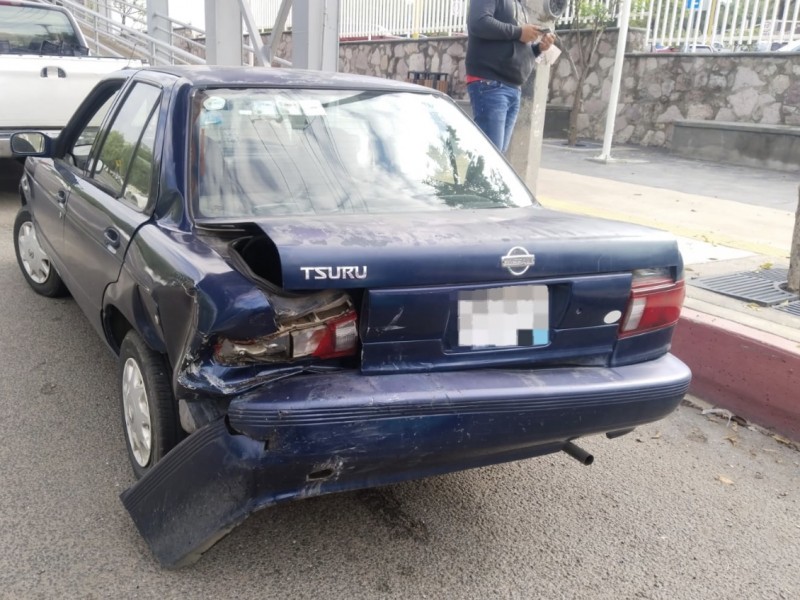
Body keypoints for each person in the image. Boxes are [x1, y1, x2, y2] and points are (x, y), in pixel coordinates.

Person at [466, 0, 556, 153]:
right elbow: (478, 22)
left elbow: (518, 46)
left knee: (496, 158)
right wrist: (519, 32)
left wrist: (539, 48)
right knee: (491, 158)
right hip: (490, 84)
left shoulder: (519, 5)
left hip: (512, 89)